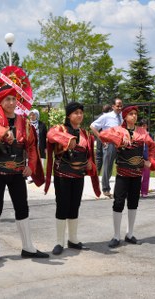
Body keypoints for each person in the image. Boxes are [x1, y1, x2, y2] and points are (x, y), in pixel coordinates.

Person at [0, 66, 48, 264]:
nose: (11, 102)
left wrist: (31, 166)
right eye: (7, 99)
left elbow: (32, 147)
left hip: (17, 173)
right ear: (0, 101)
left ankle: (28, 247)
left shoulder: (24, 122)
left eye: (14, 99)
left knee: (22, 208)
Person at [45, 102, 100, 255]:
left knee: (74, 205)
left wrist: (89, 162)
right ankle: (59, 242)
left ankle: (73, 239)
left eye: (81, 112)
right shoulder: (59, 129)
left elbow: (88, 153)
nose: (79, 115)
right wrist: (68, 140)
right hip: (62, 174)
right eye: (76, 112)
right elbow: (50, 135)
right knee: (62, 205)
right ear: (68, 115)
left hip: (78, 175)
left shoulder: (85, 133)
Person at [99, 106, 155, 248]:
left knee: (133, 202)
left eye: (135, 114)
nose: (134, 116)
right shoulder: (118, 129)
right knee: (118, 202)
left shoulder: (142, 131)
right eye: (131, 114)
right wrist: (120, 136)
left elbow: (152, 145)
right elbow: (102, 135)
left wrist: (150, 161)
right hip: (123, 174)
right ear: (125, 116)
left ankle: (130, 234)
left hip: (137, 173)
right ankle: (116, 235)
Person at [90, 98, 124, 198]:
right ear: (113, 106)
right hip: (110, 144)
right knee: (107, 167)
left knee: (121, 167)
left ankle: (120, 189)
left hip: (121, 145)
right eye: (118, 105)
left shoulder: (122, 117)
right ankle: (106, 188)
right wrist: (101, 139)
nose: (120, 107)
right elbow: (92, 126)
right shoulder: (107, 117)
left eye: (121, 105)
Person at [95, 104, 112, 173]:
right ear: (110, 110)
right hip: (108, 137)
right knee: (107, 156)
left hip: (99, 137)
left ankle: (97, 173)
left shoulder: (97, 117)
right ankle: (106, 174)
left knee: (99, 155)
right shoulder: (111, 117)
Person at [139, 119, 152, 198]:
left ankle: (144, 191)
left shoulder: (149, 135)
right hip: (139, 157)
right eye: (142, 125)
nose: (143, 127)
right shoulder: (137, 134)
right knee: (138, 175)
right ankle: (136, 190)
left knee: (146, 175)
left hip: (147, 157)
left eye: (145, 125)